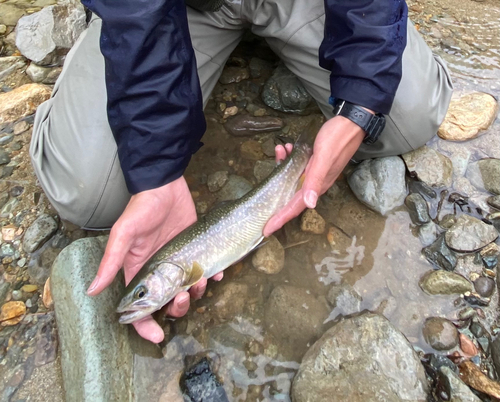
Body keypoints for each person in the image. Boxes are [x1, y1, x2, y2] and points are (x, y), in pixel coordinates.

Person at [30, 0, 453, 343]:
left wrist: (360, 102)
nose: (141, 298)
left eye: (143, 293)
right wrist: (155, 168)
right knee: (87, 193)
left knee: (405, 119)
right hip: (168, 10)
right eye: (144, 293)